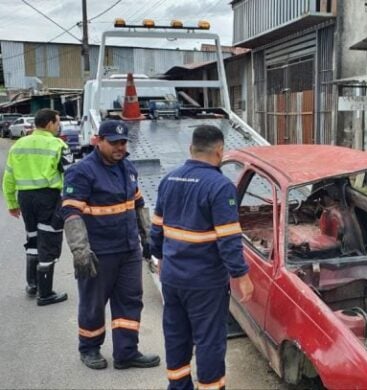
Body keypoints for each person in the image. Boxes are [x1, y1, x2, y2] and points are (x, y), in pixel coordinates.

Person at [150, 125, 254, 390]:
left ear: (190, 149)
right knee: (209, 339)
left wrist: (160, 258)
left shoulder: (169, 180)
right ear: (220, 152)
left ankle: (178, 386)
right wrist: (241, 275)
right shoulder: (220, 187)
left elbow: (157, 227)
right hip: (205, 282)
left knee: (176, 336)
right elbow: (229, 239)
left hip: (172, 278)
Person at [60, 120, 160, 370]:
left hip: (128, 250)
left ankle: (126, 352)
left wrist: (147, 236)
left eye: (123, 142)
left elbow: (138, 204)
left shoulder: (127, 167)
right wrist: (80, 250)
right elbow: (71, 214)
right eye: (113, 142)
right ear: (98, 141)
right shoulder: (81, 171)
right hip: (98, 251)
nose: (119, 147)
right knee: (93, 303)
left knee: (130, 301)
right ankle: (90, 348)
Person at [2, 108, 69, 306]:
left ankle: (32, 284)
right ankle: (45, 293)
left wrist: (12, 203)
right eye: (57, 123)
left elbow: (8, 177)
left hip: (25, 198)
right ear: (49, 124)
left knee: (32, 239)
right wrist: (69, 201)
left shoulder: (18, 145)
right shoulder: (58, 145)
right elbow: (69, 175)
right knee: (49, 240)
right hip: (48, 197)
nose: (58, 127)